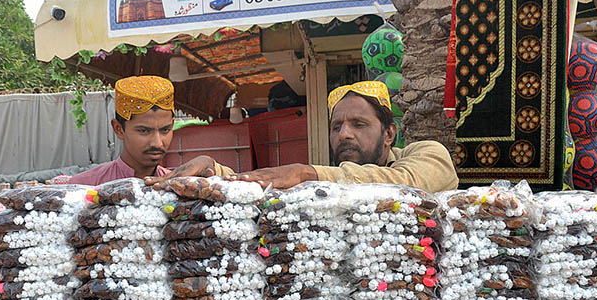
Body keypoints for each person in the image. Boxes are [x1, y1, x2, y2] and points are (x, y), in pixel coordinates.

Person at [146, 81, 458, 193]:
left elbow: (409, 184)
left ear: (389, 133)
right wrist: (213, 168)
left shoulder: (427, 154)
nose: (344, 134)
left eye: (358, 124)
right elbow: (258, 183)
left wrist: (305, 173)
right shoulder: (324, 185)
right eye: (336, 127)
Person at [69, 75, 176, 185]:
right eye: (144, 131)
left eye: (165, 130)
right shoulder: (84, 186)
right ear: (118, 129)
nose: (157, 143)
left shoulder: (181, 188)